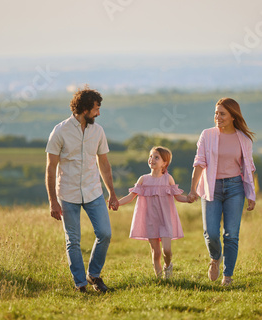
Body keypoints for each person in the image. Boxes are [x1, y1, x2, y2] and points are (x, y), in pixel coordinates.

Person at [45, 86, 119, 293]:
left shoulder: (98, 131)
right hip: (67, 194)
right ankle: (80, 284)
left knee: (104, 234)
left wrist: (112, 193)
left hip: (93, 191)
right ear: (85, 109)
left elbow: (104, 164)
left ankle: (93, 274)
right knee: (73, 241)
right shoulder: (60, 131)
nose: (99, 113)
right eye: (96, 108)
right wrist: (52, 201)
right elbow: (50, 168)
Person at [187, 97, 256, 286]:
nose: (218, 116)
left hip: (235, 188)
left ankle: (228, 276)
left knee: (231, 234)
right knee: (210, 232)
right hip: (211, 187)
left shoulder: (244, 139)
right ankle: (215, 257)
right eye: (216, 113)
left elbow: (248, 169)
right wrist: (193, 189)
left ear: (233, 116)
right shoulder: (206, 135)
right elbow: (199, 163)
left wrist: (251, 195)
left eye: (222, 113)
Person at [118, 146, 189, 279]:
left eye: (156, 157)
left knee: (166, 250)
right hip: (150, 220)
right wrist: (117, 203)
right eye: (151, 156)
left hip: (165, 219)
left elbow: (178, 197)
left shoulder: (168, 179)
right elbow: (130, 197)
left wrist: (188, 199)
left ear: (164, 163)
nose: (152, 159)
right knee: (155, 252)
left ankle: (168, 267)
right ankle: (160, 278)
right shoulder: (143, 179)